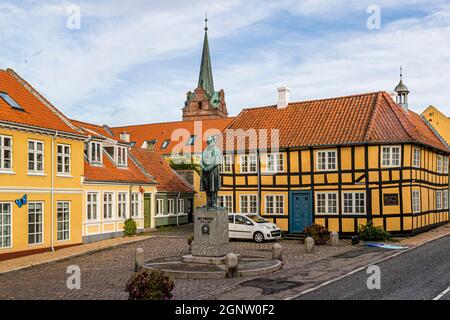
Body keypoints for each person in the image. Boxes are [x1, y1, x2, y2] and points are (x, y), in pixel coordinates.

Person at [200, 135, 222, 207]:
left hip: (213, 171)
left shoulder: (217, 150)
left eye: (210, 142)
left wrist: (209, 168)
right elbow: (200, 161)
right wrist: (203, 167)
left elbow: (217, 161)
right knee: (207, 187)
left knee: (213, 187)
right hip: (205, 171)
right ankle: (208, 202)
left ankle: (214, 202)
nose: (209, 144)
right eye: (208, 142)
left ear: (213, 141)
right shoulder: (204, 151)